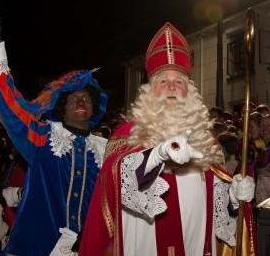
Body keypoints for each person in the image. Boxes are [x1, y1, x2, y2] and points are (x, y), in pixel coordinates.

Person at [79, 22, 255, 256]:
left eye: (179, 81)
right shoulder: (129, 133)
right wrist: (157, 155)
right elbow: (114, 184)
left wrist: (234, 197)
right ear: (150, 90)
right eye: (163, 81)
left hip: (196, 243)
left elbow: (218, 207)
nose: (172, 86)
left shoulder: (205, 140)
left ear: (188, 91)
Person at [0, 0, 108, 255]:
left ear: (93, 107)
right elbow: (8, 106)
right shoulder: (42, 138)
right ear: (60, 107)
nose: (81, 101)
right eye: (72, 97)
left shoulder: (107, 150)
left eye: (87, 97)